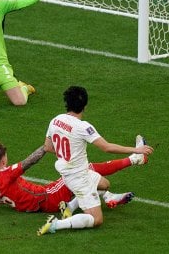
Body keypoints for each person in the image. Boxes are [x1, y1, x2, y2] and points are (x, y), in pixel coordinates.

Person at [38, 86, 154, 236]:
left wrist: (65, 154)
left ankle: (70, 207)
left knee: (104, 185)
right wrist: (135, 149)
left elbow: (47, 147)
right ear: (85, 105)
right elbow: (106, 147)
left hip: (72, 173)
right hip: (79, 178)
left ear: (67, 103)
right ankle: (56, 225)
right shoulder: (82, 127)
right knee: (97, 219)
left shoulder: (55, 120)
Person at [0, 138, 147, 216]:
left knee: (82, 179)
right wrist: (45, 148)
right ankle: (134, 159)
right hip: (47, 197)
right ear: (3, 159)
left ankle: (109, 197)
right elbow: (28, 162)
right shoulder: (6, 174)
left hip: (37, 203)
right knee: (85, 169)